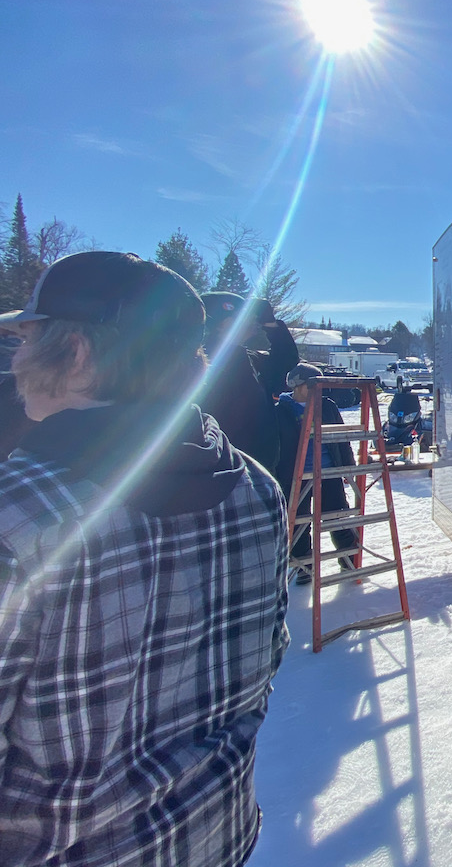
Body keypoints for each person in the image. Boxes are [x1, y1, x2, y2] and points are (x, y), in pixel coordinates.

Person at [0, 251, 289, 867]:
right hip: (217, 836)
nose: (15, 361)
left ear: (76, 352)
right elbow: (267, 657)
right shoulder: (257, 487)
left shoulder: (20, 519)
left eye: (25, 339)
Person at [274, 363, 360, 586]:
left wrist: (348, 468)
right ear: (299, 386)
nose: (318, 390)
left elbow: (341, 439)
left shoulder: (327, 406)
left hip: (329, 470)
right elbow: (276, 445)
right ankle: (304, 568)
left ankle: (349, 561)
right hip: (297, 475)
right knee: (300, 521)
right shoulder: (281, 410)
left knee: (337, 517)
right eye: (313, 385)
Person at [198, 291, 299, 470]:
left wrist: (270, 324)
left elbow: (286, 361)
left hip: (258, 465)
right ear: (222, 325)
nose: (251, 319)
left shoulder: (248, 357)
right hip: (224, 470)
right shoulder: (204, 361)